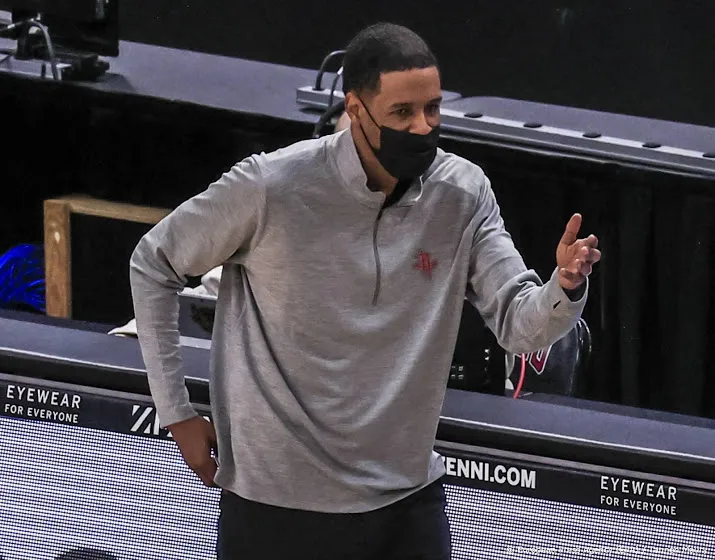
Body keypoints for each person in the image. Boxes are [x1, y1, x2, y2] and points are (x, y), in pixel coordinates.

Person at [129, 22, 600, 560]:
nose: (422, 127)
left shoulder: (462, 193)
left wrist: (564, 286)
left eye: (433, 109)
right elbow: (153, 263)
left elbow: (519, 324)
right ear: (355, 109)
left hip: (404, 503)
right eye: (402, 113)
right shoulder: (271, 187)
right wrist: (176, 412)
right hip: (273, 507)